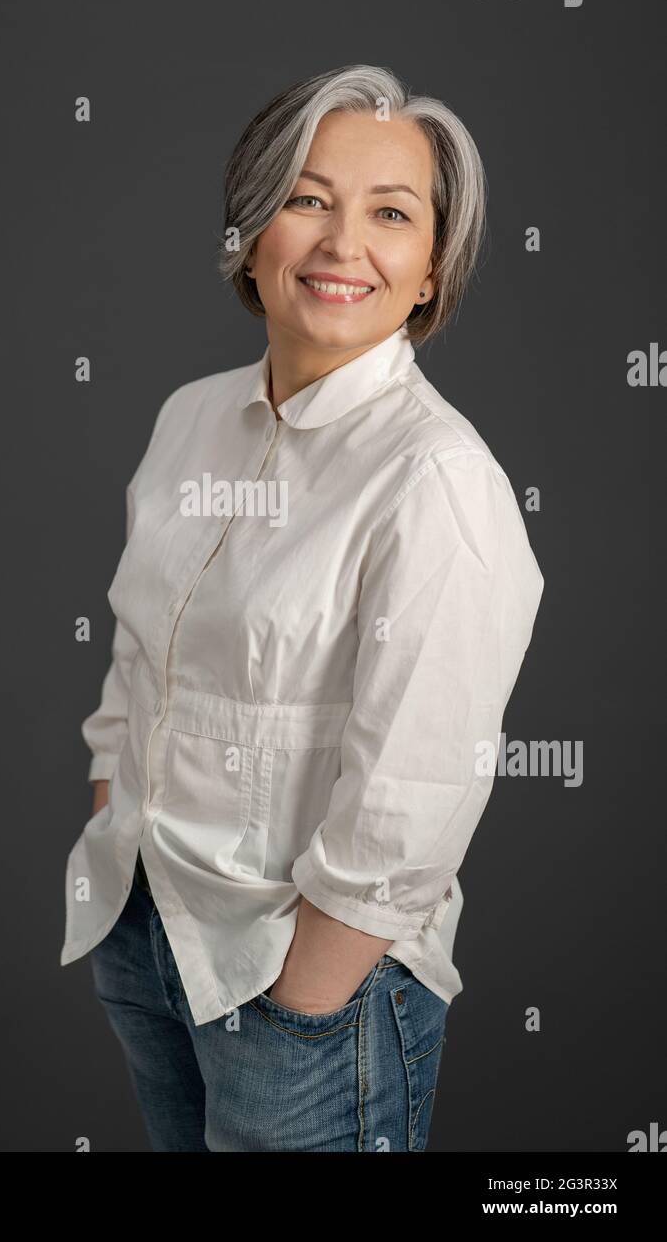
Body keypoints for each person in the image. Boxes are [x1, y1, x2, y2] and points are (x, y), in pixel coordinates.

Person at [60, 63, 545, 1152]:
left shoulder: (434, 478)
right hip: (151, 933)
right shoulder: (190, 419)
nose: (340, 244)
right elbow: (140, 648)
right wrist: (111, 803)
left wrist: (303, 1002)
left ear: (429, 269)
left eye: (389, 213)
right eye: (306, 197)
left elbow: (413, 791)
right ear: (250, 229)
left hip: (304, 986)